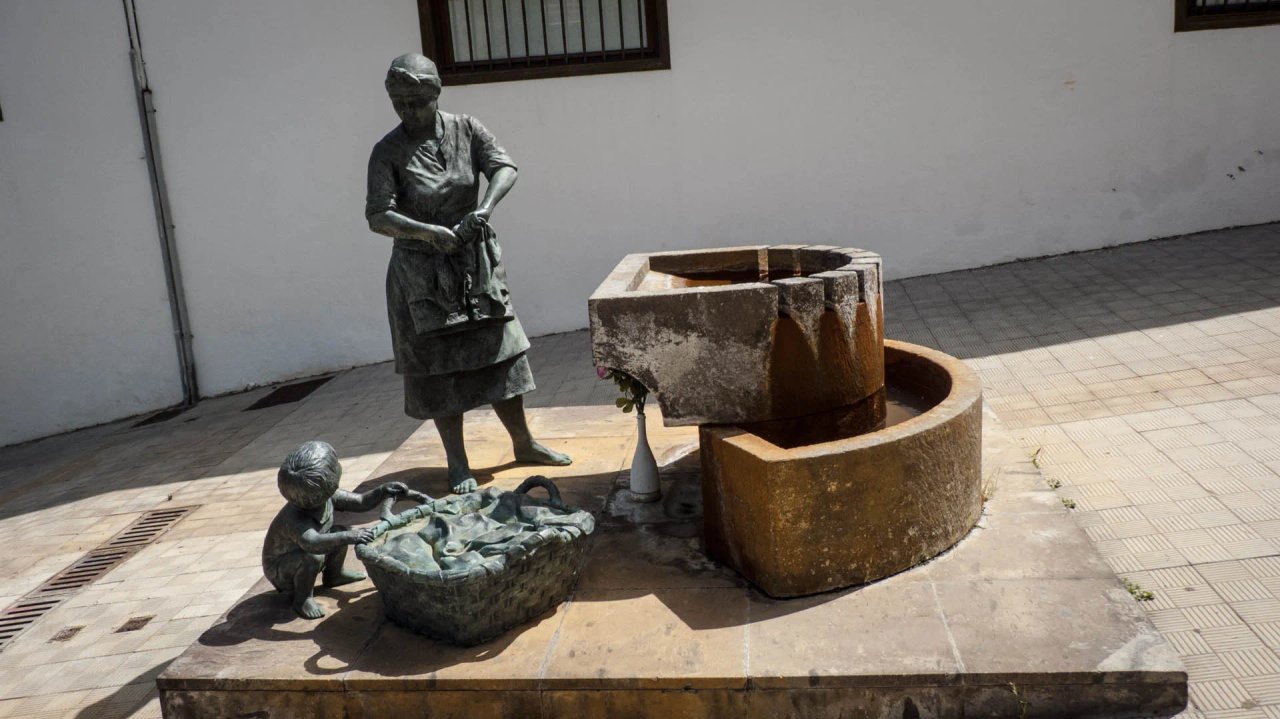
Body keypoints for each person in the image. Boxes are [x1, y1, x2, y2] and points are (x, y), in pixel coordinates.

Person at [366, 53, 571, 494]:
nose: (408, 111)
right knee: (439, 367)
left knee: (502, 352)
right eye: (399, 103)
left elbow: (504, 166)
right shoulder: (387, 151)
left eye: (416, 102)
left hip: (475, 264)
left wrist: (485, 207)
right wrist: (428, 233)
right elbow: (378, 214)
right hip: (421, 274)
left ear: (436, 94)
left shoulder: (467, 129)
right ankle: (457, 461)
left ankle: (524, 441)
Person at [261, 441, 408, 619]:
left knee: (338, 532)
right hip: (280, 570)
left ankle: (334, 575)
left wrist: (382, 490)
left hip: (304, 552)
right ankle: (302, 599)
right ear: (330, 482)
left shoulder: (327, 497)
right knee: (314, 555)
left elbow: (361, 502)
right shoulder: (295, 519)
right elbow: (312, 543)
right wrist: (350, 536)